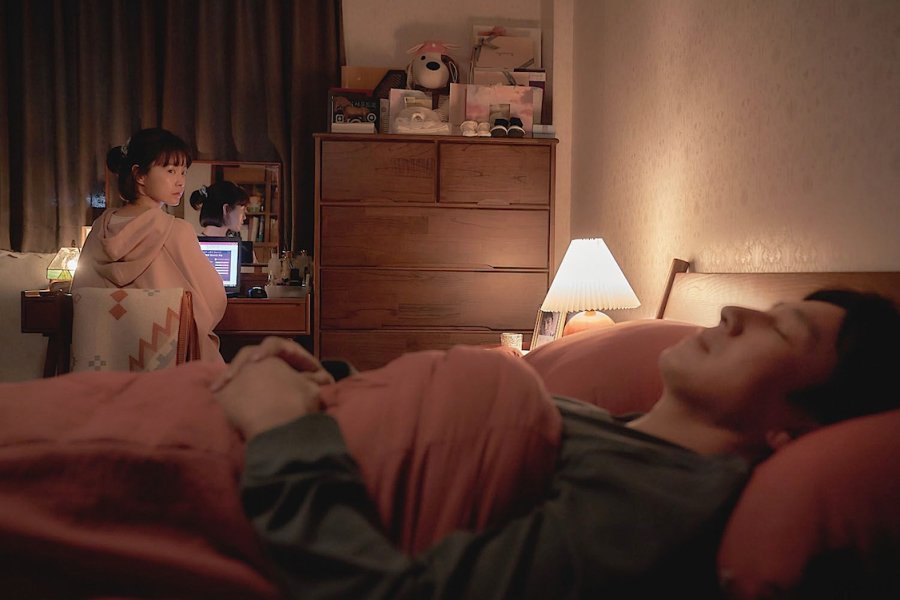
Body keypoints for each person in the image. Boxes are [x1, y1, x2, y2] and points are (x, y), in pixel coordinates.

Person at [211, 289, 900, 598]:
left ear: (794, 429)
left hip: (237, 467)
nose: (731, 311)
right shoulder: (613, 427)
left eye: (780, 330)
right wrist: (321, 382)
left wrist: (283, 427)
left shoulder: (660, 497)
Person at [74, 127, 226, 362]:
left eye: (183, 172)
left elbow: (80, 296)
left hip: (105, 362)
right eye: (170, 170)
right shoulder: (176, 230)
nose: (180, 181)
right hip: (168, 365)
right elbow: (215, 300)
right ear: (140, 175)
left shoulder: (99, 229)